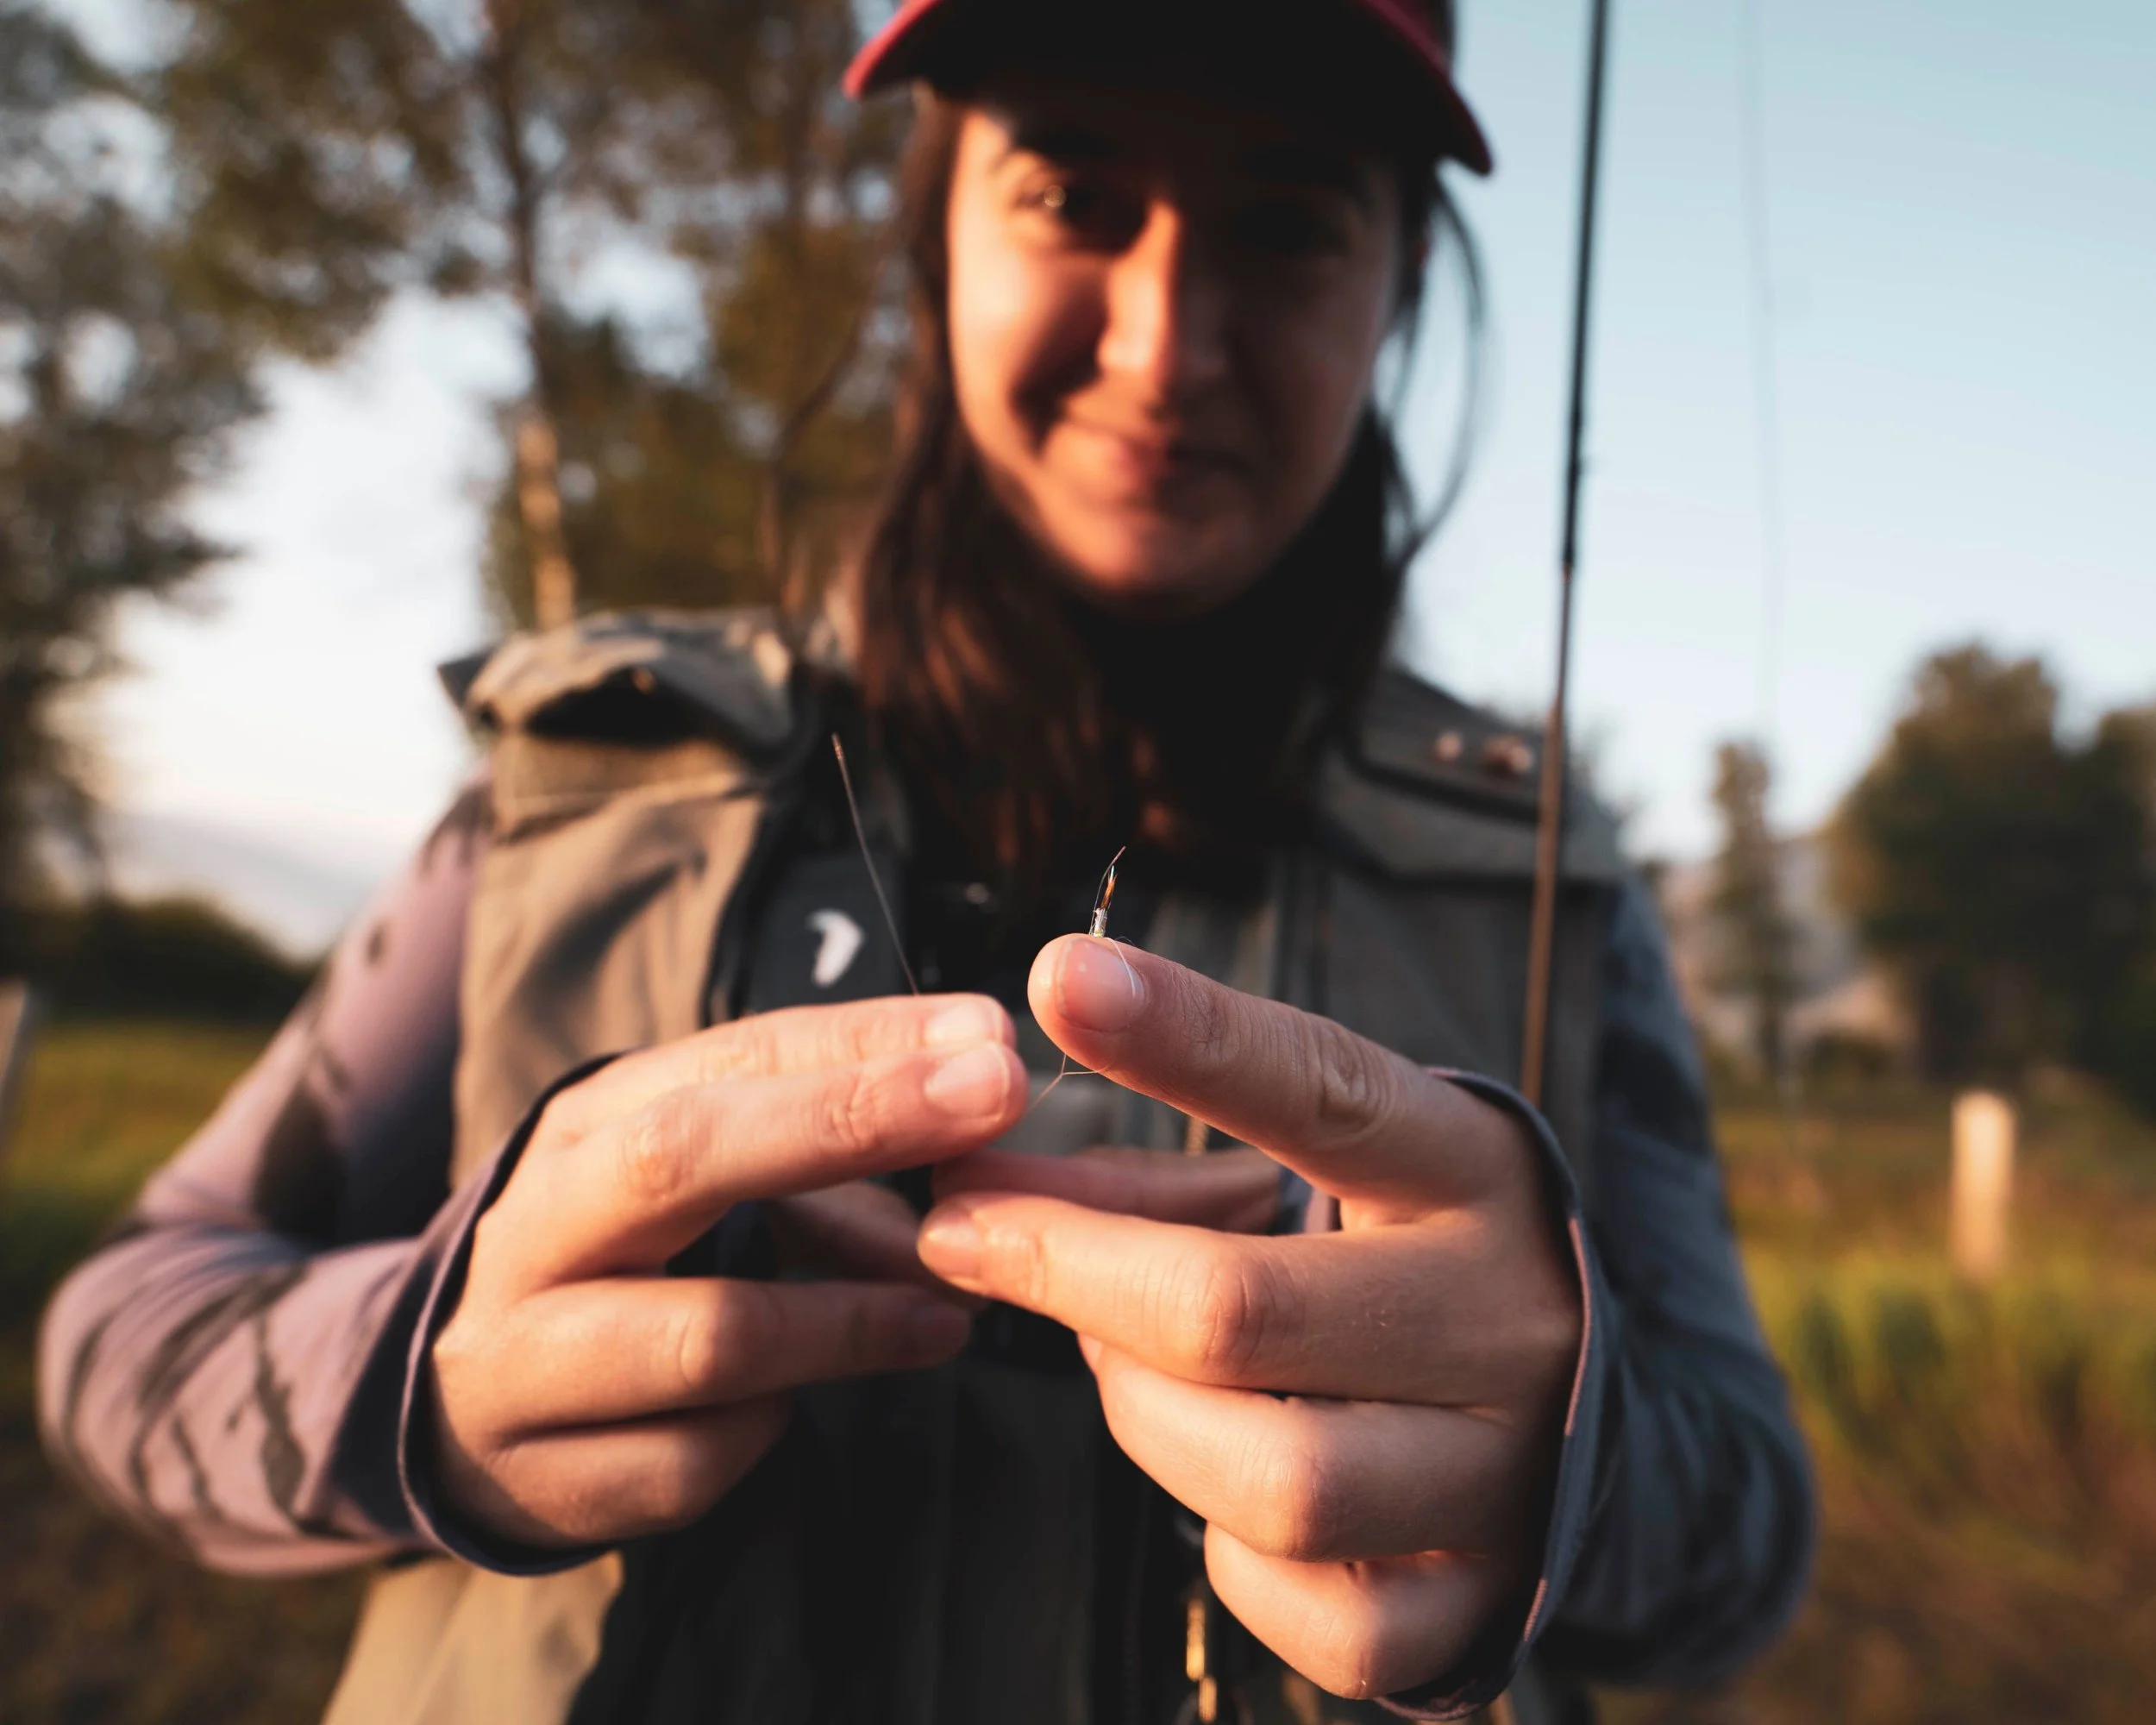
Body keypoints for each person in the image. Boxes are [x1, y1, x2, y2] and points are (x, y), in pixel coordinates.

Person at [38, 3, 1814, 1721]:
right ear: (933, 235)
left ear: (1400, 288)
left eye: (1284, 227)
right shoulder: (582, 783)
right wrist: (423, 1379)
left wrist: (1554, 1458)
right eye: (1069, 195)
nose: (1164, 345)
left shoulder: (1553, 885)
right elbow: (122, 1326)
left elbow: (1747, 1546)